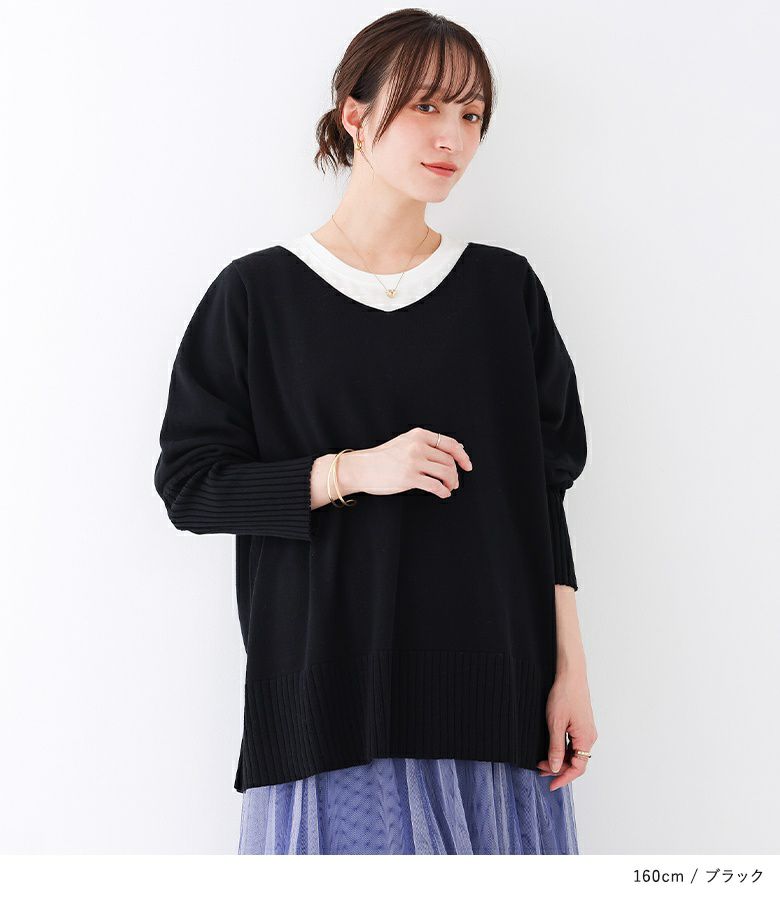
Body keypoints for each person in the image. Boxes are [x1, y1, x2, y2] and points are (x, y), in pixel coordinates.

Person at [154, 8, 596, 855]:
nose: (452, 136)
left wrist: (570, 671)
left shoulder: (504, 292)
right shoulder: (257, 295)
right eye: (426, 106)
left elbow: (542, 498)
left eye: (471, 114)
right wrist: (351, 470)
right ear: (355, 115)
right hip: (329, 697)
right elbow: (191, 487)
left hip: (494, 697)